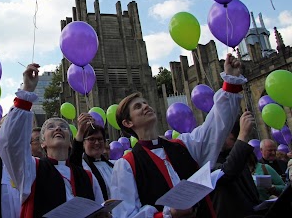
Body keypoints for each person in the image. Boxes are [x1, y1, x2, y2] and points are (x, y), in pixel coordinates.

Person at [111, 53, 245, 218]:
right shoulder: (126, 165)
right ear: (128, 123)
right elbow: (126, 215)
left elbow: (215, 127)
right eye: (138, 106)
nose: (146, 106)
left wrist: (231, 81)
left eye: (146, 102)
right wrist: (169, 214)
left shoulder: (183, 145)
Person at [0, 63, 105, 218]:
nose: (58, 128)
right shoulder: (31, 169)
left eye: (63, 126)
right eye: (51, 127)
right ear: (43, 143)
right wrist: (26, 91)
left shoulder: (87, 177)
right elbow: (9, 142)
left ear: (70, 142)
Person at [211, 111, 261, 217]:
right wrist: (243, 135)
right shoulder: (208, 159)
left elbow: (251, 195)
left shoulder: (237, 159)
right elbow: (226, 173)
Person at [70, 113, 114, 200]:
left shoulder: (113, 165)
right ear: (83, 143)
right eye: (92, 139)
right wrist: (80, 132)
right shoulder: (81, 167)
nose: (97, 143)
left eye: (100, 139)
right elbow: (74, 159)